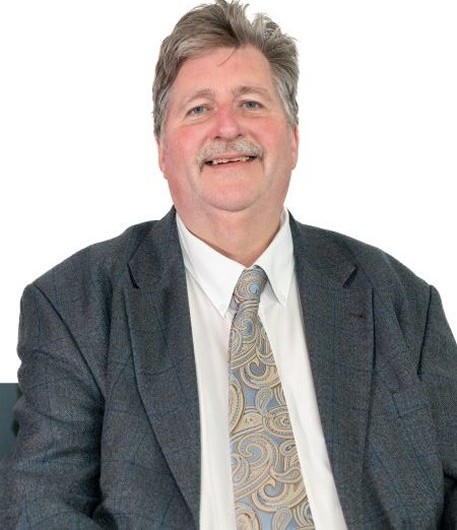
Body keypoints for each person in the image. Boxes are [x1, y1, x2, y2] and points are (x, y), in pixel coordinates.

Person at [1, 0, 456, 528]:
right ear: (162, 151)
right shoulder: (76, 308)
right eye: (198, 109)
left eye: (251, 103)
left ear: (293, 139)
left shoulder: (400, 301)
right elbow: (39, 508)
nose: (227, 126)